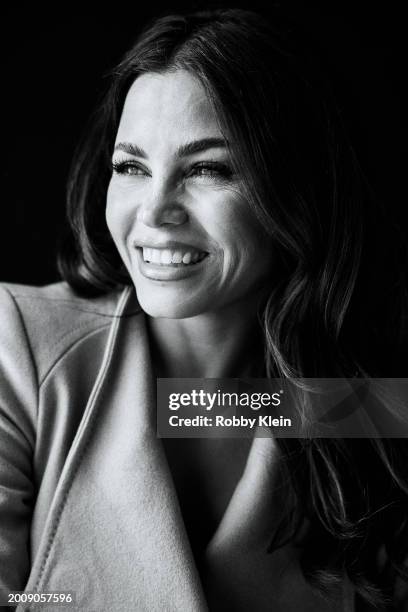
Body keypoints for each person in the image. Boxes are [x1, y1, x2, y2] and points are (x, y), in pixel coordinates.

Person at [1, 8, 407, 611]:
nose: (155, 210)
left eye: (208, 169)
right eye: (131, 167)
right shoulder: (20, 345)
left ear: (297, 193)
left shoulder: (366, 406)